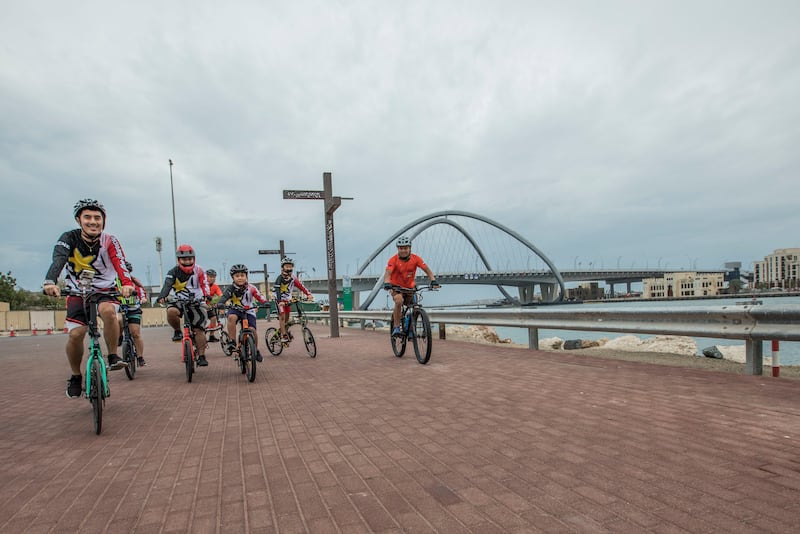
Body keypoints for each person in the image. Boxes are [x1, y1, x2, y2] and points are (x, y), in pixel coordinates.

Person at [43, 199, 136, 399]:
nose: (93, 222)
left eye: (97, 217)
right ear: (79, 220)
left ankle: (112, 356)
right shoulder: (68, 238)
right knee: (76, 334)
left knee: (109, 312)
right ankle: (76, 376)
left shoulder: (110, 240)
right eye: (87, 217)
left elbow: (119, 261)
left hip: (105, 290)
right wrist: (50, 281)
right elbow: (58, 259)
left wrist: (127, 284)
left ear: (103, 221)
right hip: (78, 291)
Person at [155, 244, 211, 366]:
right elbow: (167, 285)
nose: (187, 262)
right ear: (179, 260)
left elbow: (205, 284)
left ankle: (201, 356)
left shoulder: (200, 270)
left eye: (190, 259)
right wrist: (162, 296)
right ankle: (177, 331)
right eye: (184, 259)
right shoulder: (173, 271)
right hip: (179, 301)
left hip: (197, 301)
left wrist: (207, 295)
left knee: (199, 330)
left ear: (194, 258)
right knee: (171, 312)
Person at [383, 236, 440, 336]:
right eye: (401, 248)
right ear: (398, 249)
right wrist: (387, 283)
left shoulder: (415, 258)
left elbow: (426, 269)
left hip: (410, 287)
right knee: (399, 301)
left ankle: (410, 326)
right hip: (396, 287)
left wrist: (433, 280)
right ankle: (396, 327)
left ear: (410, 248)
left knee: (415, 306)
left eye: (405, 248)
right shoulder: (393, 260)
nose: (403, 250)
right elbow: (388, 273)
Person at [218, 264, 269, 362]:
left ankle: (256, 350)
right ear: (233, 277)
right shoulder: (230, 289)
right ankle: (232, 341)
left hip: (248, 310)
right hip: (235, 309)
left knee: (252, 330)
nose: (240, 278)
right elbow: (224, 297)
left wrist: (265, 302)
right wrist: (221, 303)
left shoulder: (251, 288)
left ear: (246, 276)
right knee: (231, 317)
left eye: (242, 275)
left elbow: (260, 296)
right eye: (237, 276)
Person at [273, 257, 313, 343]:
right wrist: (280, 302)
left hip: (288, 300)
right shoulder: (279, 278)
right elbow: (277, 291)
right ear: (283, 267)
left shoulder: (293, 278)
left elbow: (301, 286)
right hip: (279, 300)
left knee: (287, 318)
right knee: (282, 317)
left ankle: (284, 330)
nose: (288, 268)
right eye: (286, 266)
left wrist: (308, 294)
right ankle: (283, 336)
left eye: (290, 266)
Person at [117, 261, 147, 367]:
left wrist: (143, 298)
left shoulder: (134, 283)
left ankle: (140, 356)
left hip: (133, 309)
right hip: (119, 308)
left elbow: (142, 292)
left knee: (135, 333)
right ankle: (119, 336)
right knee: (119, 320)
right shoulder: (114, 282)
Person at [205, 269, 223, 342]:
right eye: (210, 277)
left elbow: (220, 295)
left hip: (209, 307)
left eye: (214, 277)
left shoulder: (215, 286)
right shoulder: (202, 285)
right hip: (201, 306)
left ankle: (211, 336)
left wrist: (219, 302)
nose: (212, 278)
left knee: (213, 318)